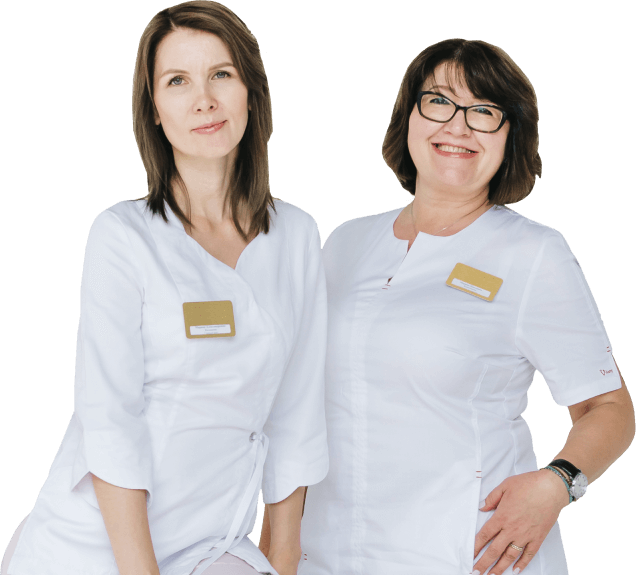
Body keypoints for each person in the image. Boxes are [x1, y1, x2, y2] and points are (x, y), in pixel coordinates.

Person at [258, 39, 635, 575]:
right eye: (438, 101)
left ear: (510, 136)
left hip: (468, 553)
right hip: (330, 554)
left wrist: (556, 484)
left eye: (484, 111)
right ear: (408, 117)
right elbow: (298, 407)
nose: (457, 126)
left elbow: (610, 408)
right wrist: (277, 543)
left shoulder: (533, 253)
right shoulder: (345, 242)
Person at [1, 2, 329, 575]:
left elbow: (297, 415)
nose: (204, 100)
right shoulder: (123, 235)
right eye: (178, 81)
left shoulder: (296, 235)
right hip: (95, 549)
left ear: (251, 91)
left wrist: (282, 561)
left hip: (210, 542)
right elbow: (110, 422)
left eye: (221, 74)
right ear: (153, 108)